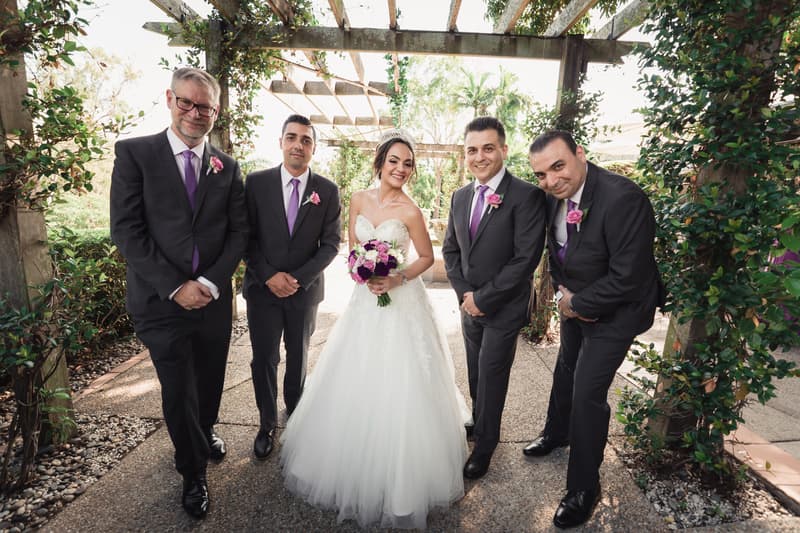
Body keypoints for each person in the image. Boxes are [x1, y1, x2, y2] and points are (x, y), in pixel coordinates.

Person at [279, 129, 469, 530]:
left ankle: (400, 481)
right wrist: (360, 267)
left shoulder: (412, 211)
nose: (401, 169)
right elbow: (353, 244)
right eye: (394, 161)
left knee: (402, 381)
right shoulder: (359, 199)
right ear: (380, 162)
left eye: (408, 164)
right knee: (354, 372)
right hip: (365, 301)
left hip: (400, 300)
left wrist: (396, 277)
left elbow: (426, 257)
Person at [110, 67, 248, 519]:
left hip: (212, 301)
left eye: (204, 106)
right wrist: (174, 287)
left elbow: (237, 233)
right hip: (158, 301)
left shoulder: (227, 167)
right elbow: (127, 231)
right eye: (186, 103)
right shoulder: (134, 154)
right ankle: (193, 472)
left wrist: (207, 283)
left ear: (216, 110)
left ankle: (203, 431)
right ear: (169, 99)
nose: (194, 113)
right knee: (177, 387)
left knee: (209, 381)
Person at [524, 130, 664, 529]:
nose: (551, 180)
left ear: (580, 154)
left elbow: (629, 278)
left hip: (618, 311)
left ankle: (584, 487)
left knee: (587, 390)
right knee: (566, 367)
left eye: (558, 166)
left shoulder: (624, 199)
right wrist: (564, 297)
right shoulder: (554, 200)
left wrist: (576, 304)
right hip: (576, 304)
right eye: (541, 174)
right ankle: (556, 433)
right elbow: (558, 252)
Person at [442, 116, 547, 480]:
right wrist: (465, 296)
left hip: (504, 307)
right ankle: (480, 418)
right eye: (472, 149)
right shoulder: (460, 197)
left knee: (492, 373)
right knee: (474, 371)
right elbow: (451, 251)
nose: (480, 156)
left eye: (488, 148)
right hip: (469, 305)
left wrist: (484, 298)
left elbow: (525, 259)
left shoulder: (527, 196)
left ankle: (486, 445)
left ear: (503, 149)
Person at [243, 114, 341, 461]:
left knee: (298, 355)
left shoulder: (326, 191)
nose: (298, 144)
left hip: (304, 292)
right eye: (292, 137)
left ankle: (295, 414)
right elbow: (245, 237)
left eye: (306, 140)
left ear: (313, 147)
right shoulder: (255, 184)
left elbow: (331, 244)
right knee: (264, 359)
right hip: (262, 290)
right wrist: (269, 275)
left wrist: (297, 279)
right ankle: (267, 423)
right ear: (281, 142)